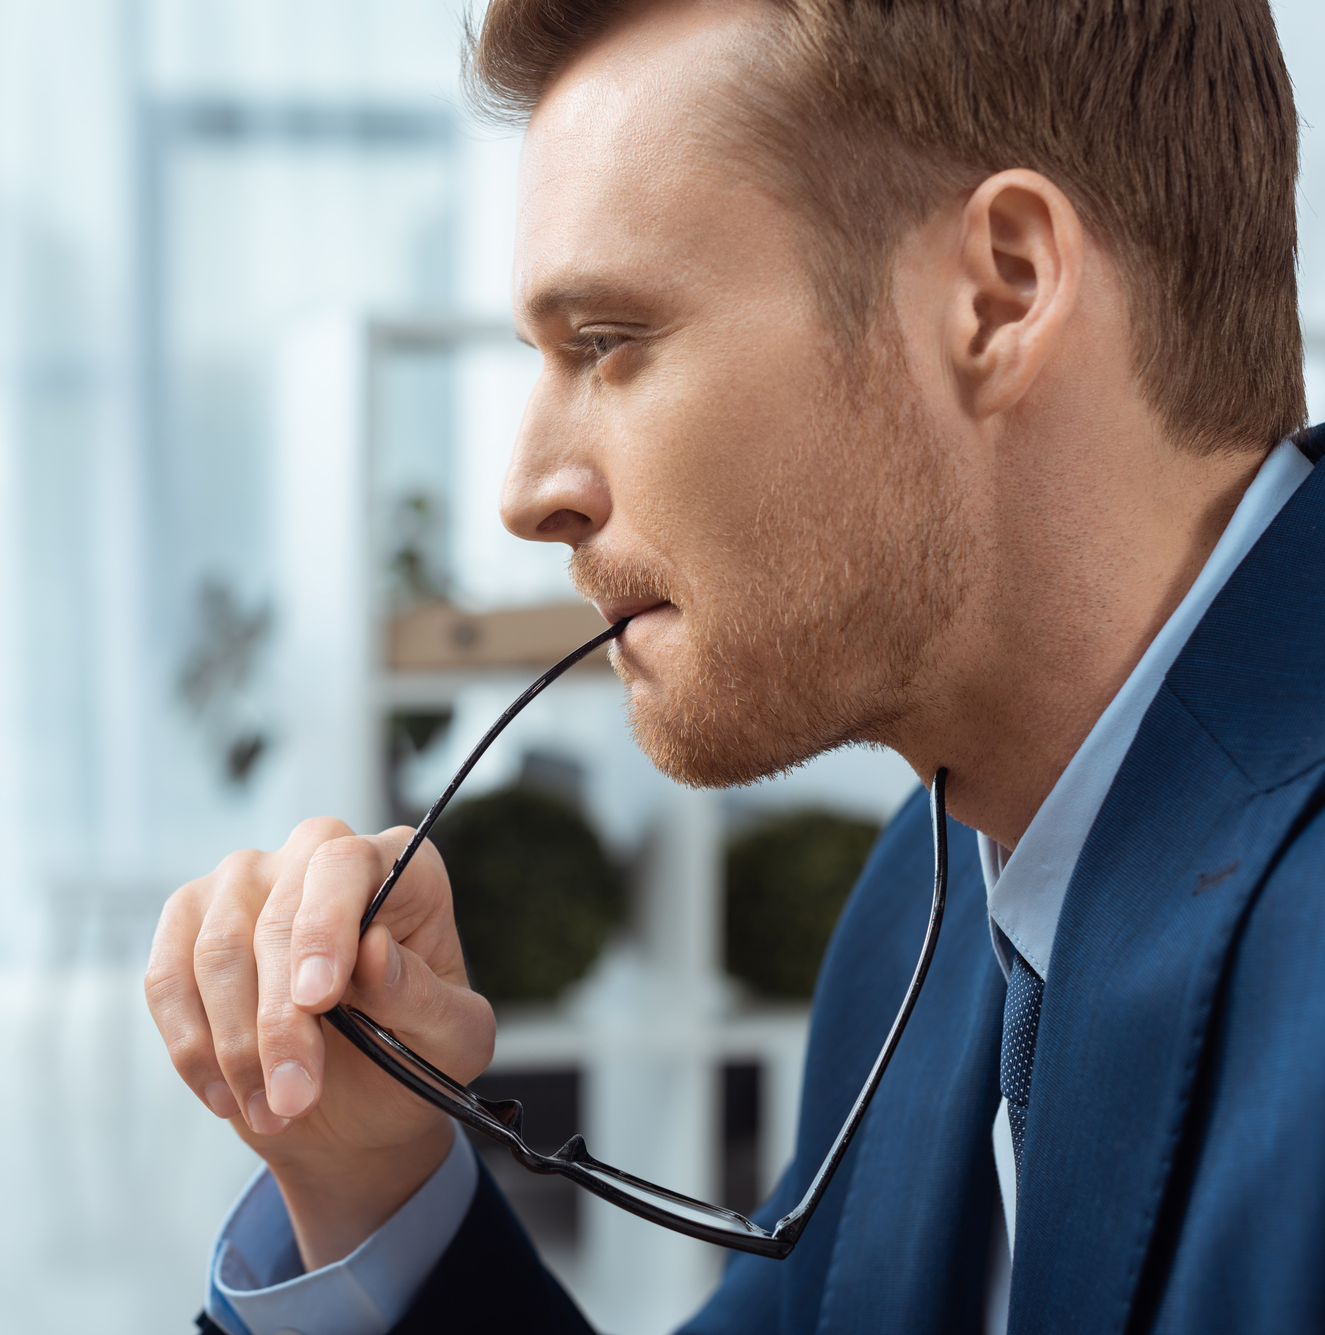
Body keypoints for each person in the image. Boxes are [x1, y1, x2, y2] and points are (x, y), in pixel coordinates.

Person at [144, 0, 1325, 1330]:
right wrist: (373, 1177)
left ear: (999, 293)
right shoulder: (922, 909)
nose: (530, 494)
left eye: (608, 343)